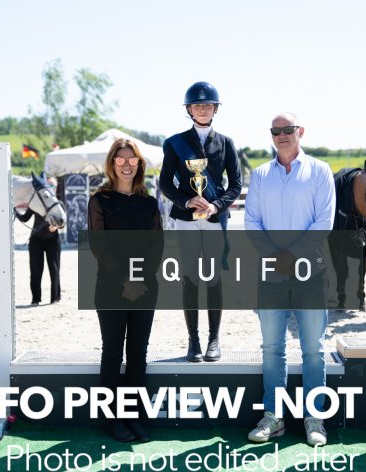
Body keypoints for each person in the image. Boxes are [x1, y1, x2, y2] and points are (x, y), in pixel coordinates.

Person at [245, 112, 335, 447]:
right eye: (276, 131)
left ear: (301, 131)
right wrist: (275, 257)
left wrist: (291, 255)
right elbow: (252, 221)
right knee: (272, 348)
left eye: (288, 129)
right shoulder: (260, 175)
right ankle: (274, 417)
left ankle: (315, 419)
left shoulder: (320, 171)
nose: (281, 135)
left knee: (313, 349)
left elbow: (324, 222)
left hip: (311, 272)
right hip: (270, 274)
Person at [159, 81, 242, 362]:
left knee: (214, 278)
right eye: (197, 105)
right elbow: (165, 183)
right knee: (191, 278)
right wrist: (186, 201)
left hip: (215, 217)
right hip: (186, 218)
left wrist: (216, 205)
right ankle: (193, 339)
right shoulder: (175, 143)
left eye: (208, 105)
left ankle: (214, 339)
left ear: (215, 109)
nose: (203, 109)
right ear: (189, 110)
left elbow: (236, 184)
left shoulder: (226, 143)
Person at [88, 138, 163, 442]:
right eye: (120, 159)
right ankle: (112, 419)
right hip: (110, 286)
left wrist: (139, 279)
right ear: (112, 163)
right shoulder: (100, 200)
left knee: (137, 353)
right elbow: (99, 247)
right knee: (112, 352)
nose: (126, 164)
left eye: (132, 159)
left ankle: (133, 416)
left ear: (139, 163)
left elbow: (156, 246)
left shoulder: (149, 203)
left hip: (145, 287)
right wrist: (126, 279)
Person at [16, 176, 62, 305]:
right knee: (35, 270)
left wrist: (56, 227)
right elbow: (25, 218)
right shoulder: (36, 202)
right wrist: (14, 210)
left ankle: (55, 298)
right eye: (49, 185)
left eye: (53, 186)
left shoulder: (58, 204)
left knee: (54, 269)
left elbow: (63, 221)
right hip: (36, 239)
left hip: (52, 240)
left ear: (56, 188)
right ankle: (35, 299)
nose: (51, 188)